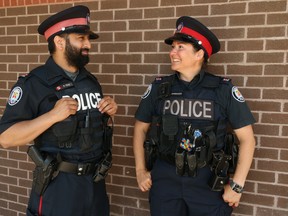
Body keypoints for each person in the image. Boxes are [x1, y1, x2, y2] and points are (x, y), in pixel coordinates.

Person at [0, 5, 117, 216]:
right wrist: (52, 116)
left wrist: (107, 110)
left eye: (88, 39)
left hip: (95, 183)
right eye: (81, 38)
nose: (88, 44)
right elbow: (6, 137)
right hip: (58, 186)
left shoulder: (91, 82)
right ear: (59, 41)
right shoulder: (34, 83)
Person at [133, 16, 256, 216]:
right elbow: (140, 128)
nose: (172, 52)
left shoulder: (222, 90)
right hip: (165, 178)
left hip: (207, 181)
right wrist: (140, 171)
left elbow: (247, 139)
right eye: (173, 47)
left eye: (180, 47)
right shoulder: (159, 88)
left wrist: (237, 186)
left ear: (199, 54)